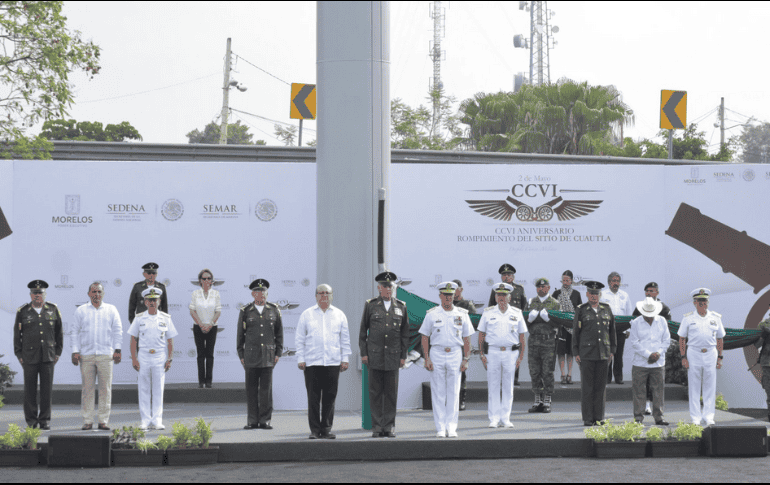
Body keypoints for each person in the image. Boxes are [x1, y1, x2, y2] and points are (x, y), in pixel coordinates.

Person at [296, 284, 351, 440]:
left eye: (327, 293)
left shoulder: (339, 315)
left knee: (330, 397)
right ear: (316, 296)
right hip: (312, 363)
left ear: (332, 295)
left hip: (332, 362)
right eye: (321, 293)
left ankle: (326, 429)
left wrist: (345, 358)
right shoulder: (307, 314)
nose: (324, 295)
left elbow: (345, 339)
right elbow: (299, 338)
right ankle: (314, 430)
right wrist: (301, 358)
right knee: (313, 398)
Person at [420, 281, 474, 438]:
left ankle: (451, 427)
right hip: (437, 352)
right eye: (445, 295)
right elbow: (424, 336)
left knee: (454, 392)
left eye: (450, 295)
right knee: (438, 392)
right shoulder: (432, 314)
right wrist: (426, 358)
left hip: (455, 353)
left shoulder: (462, 314)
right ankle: (440, 427)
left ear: (454, 295)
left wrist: (466, 358)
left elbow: (467, 338)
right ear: (440, 296)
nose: (448, 298)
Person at [359, 271, 410, 438]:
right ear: (379, 288)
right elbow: (363, 332)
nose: (389, 289)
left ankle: (388, 426)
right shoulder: (371, 305)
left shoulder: (401, 306)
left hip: (393, 356)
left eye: (391, 286)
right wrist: (364, 353)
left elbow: (405, 334)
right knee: (375, 393)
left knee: (391, 393)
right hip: (374, 356)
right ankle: (377, 426)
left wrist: (403, 356)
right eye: (385, 286)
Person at [71, 282, 123, 431]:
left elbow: (117, 330)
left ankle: (103, 420)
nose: (96, 294)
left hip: (106, 355)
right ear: (89, 294)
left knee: (105, 389)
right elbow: (74, 332)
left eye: (99, 292)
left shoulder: (111, 309)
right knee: (87, 390)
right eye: (94, 292)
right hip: (86, 355)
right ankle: (87, 420)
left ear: (103, 294)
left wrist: (117, 349)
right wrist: (75, 351)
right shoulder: (81, 310)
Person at [13, 280, 63, 430]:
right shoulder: (23, 311)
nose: (37, 295)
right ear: (30, 295)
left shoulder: (53, 309)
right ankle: (31, 421)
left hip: (48, 356)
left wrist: (57, 352)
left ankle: (45, 420)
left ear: (45, 294)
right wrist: (19, 354)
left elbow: (59, 333)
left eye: (40, 293)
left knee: (46, 391)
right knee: (30, 390)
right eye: (34, 293)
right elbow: (17, 335)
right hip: (29, 356)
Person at [478, 283, 527, 428]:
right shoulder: (488, 313)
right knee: (493, 385)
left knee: (508, 386)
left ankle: (506, 418)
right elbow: (481, 335)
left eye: (504, 295)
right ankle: (494, 418)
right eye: (499, 295)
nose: (501, 298)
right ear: (495, 297)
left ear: (509, 297)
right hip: (492, 352)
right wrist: (481, 354)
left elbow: (522, 337)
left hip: (511, 353)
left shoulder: (517, 313)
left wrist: (521, 356)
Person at [128, 287, 177, 430]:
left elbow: (170, 340)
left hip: (159, 356)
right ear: (145, 302)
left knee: (158, 389)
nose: (152, 302)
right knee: (143, 389)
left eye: (155, 300)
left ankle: (157, 420)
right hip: (143, 355)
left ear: (159, 301)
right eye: (149, 300)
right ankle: (145, 420)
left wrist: (170, 358)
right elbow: (133, 339)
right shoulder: (139, 318)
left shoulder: (166, 318)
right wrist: (134, 358)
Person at [237, 279, 283, 430]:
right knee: (251, 390)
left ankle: (265, 420)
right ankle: (252, 420)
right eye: (258, 291)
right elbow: (240, 335)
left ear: (266, 293)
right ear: (253, 294)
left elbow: (279, 333)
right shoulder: (246, 311)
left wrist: (278, 352)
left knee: (266, 391)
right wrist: (241, 354)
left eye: (263, 291)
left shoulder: (274, 310)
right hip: (250, 356)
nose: (261, 294)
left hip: (268, 356)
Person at [678, 288, 725, 426]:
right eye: (699, 301)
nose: (702, 303)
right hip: (694, 353)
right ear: (694, 302)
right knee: (694, 386)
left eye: (704, 301)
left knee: (710, 385)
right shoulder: (688, 318)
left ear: (708, 302)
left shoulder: (715, 318)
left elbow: (720, 338)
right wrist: (683, 357)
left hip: (711, 352)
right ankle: (695, 417)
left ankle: (709, 416)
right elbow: (682, 338)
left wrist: (720, 357)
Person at [573, 281, 616, 426]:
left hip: (603, 353)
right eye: (591, 293)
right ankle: (588, 418)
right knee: (587, 388)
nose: (593, 296)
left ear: (600, 295)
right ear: (587, 294)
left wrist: (612, 350)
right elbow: (576, 332)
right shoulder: (581, 310)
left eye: (596, 294)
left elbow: (612, 332)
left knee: (600, 388)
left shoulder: (606, 309)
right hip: (586, 354)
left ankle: (599, 417)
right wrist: (576, 352)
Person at [631, 282, 672, 415]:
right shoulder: (636, 322)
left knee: (658, 390)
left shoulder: (662, 319)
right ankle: (638, 417)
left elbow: (666, 340)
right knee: (639, 390)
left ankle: (659, 417)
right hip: (641, 362)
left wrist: (658, 354)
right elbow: (634, 342)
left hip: (658, 362)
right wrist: (649, 354)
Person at [487, 264, 527, 386]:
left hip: (514, 325)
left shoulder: (519, 289)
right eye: (504, 275)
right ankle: (499, 378)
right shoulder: (496, 289)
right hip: (499, 324)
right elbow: (491, 307)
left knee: (514, 350)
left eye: (508, 274)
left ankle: (514, 378)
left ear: (513, 276)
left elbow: (524, 307)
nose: (506, 277)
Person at [526, 278, 561, 413]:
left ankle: (547, 398)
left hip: (548, 342)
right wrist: (529, 320)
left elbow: (559, 323)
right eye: (538, 287)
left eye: (543, 286)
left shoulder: (555, 303)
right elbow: (522, 322)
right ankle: (537, 399)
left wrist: (549, 320)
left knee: (547, 372)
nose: (541, 289)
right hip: (533, 341)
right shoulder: (531, 302)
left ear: (548, 288)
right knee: (534, 372)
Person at [189, 268, 221, 388]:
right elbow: (192, 310)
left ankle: (209, 382)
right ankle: (201, 381)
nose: (206, 280)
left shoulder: (216, 294)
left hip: (212, 327)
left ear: (212, 280)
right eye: (204, 278)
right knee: (200, 354)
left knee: (210, 354)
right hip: (198, 327)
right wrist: (201, 324)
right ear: (200, 280)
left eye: (209, 278)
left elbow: (218, 311)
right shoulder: (195, 293)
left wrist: (210, 324)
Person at [600, 272, 633, 384]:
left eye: (618, 281)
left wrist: (628, 329)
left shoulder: (625, 295)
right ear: (609, 282)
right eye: (614, 281)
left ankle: (618, 377)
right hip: (607, 328)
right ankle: (607, 377)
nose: (616, 283)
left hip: (621, 328)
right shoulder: (603, 295)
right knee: (607, 353)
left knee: (619, 354)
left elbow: (629, 313)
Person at [552, 270, 581, 385]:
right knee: (561, 352)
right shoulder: (557, 293)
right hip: (560, 327)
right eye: (563, 280)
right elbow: (553, 310)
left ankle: (569, 375)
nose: (565, 282)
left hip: (572, 327)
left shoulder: (576, 294)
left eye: (567, 280)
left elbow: (579, 312)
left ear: (571, 281)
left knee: (570, 352)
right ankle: (562, 375)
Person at [452, 279, 476, 411]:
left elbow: (474, 322)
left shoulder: (467, 304)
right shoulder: (446, 304)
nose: (454, 291)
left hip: (462, 344)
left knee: (461, 373)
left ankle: (461, 400)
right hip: (450, 343)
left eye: (456, 288)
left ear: (461, 289)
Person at [754, 303, 770, 422]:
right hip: (767, 362)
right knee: (769, 389)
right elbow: (756, 345)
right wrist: (763, 337)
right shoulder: (763, 324)